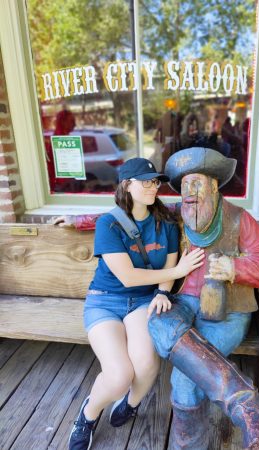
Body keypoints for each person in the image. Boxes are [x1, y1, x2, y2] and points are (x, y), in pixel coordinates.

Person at [61, 157, 204, 450]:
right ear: (127, 185)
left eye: (156, 182)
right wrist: (177, 274)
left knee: (147, 365)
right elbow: (127, 276)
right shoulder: (109, 224)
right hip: (105, 302)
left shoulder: (166, 222)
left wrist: (164, 292)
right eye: (146, 182)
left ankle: (132, 402)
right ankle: (88, 416)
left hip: (144, 301)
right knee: (118, 374)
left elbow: (168, 262)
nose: (154, 187)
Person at [147, 147, 259, 450]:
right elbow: (132, 217)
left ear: (213, 185)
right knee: (156, 320)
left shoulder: (238, 219)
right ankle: (249, 405)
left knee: (184, 379)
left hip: (228, 313)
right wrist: (81, 220)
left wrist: (237, 267)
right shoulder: (178, 214)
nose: (189, 194)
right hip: (181, 304)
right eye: (184, 186)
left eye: (196, 184)